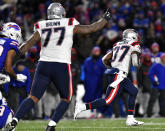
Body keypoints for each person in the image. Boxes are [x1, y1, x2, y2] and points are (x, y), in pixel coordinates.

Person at [7, 3, 111, 131]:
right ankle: (51, 126)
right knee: (66, 98)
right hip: (61, 64)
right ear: (61, 13)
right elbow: (91, 28)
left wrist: (10, 61)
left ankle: (14, 120)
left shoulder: (42, 25)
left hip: (43, 65)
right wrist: (105, 19)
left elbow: (26, 46)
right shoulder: (69, 23)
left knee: (33, 97)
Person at [74, 29, 144, 126]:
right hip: (118, 75)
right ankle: (82, 107)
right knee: (107, 100)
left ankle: (130, 118)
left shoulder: (117, 44)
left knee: (134, 91)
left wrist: (112, 66)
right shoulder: (134, 45)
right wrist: (138, 54)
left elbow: (104, 59)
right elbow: (136, 63)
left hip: (117, 74)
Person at [147, 53, 165, 117]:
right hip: (156, 85)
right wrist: (154, 81)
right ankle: (148, 113)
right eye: (163, 57)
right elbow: (150, 73)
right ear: (161, 58)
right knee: (152, 99)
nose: (164, 59)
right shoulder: (156, 65)